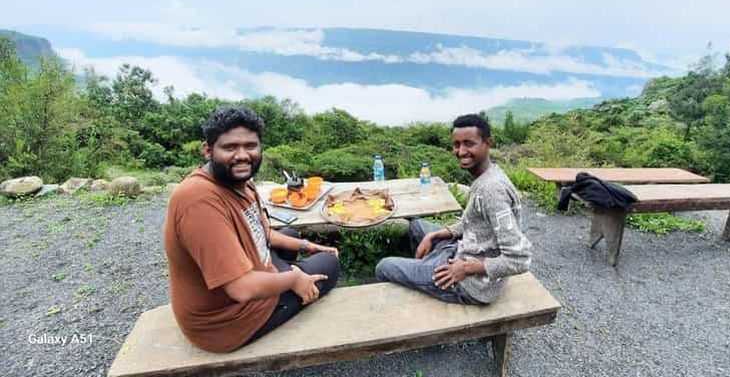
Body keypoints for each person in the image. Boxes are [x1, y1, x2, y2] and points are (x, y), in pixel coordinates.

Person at [164, 106, 339, 353]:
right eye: (230, 147)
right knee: (329, 265)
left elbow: (263, 232)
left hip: (243, 279)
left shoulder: (239, 182)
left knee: (290, 236)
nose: (242, 155)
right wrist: (294, 278)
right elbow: (241, 289)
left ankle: (284, 273)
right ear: (208, 150)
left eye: (250, 146)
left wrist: (307, 246)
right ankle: (287, 285)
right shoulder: (198, 200)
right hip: (225, 321)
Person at [374, 113, 532, 305]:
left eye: (469, 143)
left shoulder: (492, 190)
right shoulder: (487, 175)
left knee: (384, 266)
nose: (461, 151)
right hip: (464, 250)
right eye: (456, 144)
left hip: (472, 283)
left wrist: (465, 269)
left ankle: (426, 287)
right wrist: (437, 234)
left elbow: (519, 259)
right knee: (417, 226)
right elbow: (473, 221)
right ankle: (425, 269)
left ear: (488, 143)